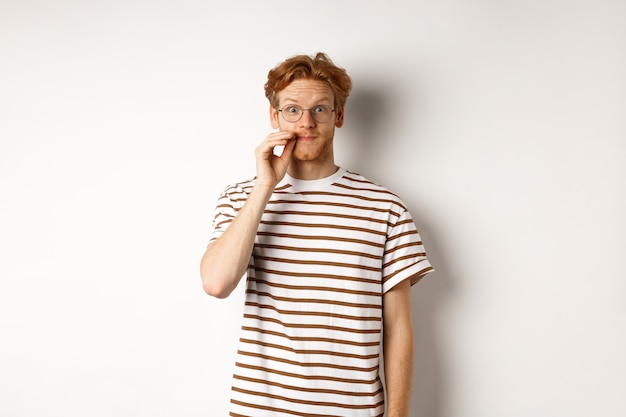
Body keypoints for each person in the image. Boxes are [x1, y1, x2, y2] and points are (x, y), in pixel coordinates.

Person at [200, 52, 433, 417]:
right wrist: (265, 186)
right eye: (292, 110)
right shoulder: (241, 197)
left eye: (320, 110)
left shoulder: (385, 207)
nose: (306, 122)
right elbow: (216, 283)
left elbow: (399, 328)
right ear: (274, 116)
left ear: (339, 116)